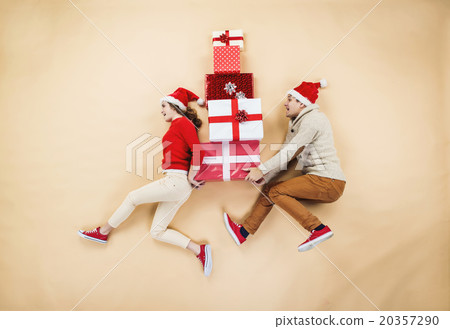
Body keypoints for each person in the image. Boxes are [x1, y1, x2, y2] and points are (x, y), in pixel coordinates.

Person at [78, 88, 212, 276]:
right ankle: (200, 250)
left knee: (132, 197)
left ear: (175, 106)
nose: (161, 110)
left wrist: (192, 175)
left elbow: (198, 150)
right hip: (177, 184)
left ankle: (103, 232)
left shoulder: (182, 123)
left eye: (164, 105)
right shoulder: (177, 125)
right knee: (157, 231)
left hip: (176, 181)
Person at [223, 79, 346, 252]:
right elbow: (286, 155)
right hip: (320, 180)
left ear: (301, 103)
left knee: (276, 191)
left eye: (290, 99)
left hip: (328, 180)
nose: (285, 104)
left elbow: (289, 153)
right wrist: (265, 176)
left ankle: (317, 228)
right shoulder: (297, 123)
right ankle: (243, 232)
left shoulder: (314, 120)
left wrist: (261, 169)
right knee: (271, 189)